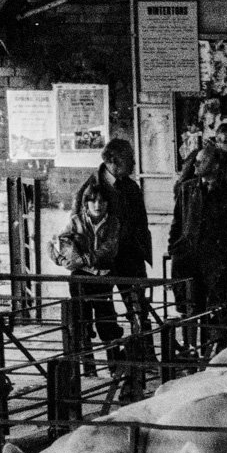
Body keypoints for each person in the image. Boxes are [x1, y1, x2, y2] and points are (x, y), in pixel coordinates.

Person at [168, 147, 227, 356]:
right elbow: (177, 223)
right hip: (188, 258)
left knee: (219, 308)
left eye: (201, 161)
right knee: (189, 307)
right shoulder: (187, 189)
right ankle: (191, 351)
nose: (196, 164)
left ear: (215, 166)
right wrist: (174, 248)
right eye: (196, 160)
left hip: (217, 261)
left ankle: (219, 353)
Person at [78, 139, 154, 364]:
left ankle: (146, 357)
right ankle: (114, 362)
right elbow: (79, 227)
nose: (133, 163)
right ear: (112, 160)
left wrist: (141, 251)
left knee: (139, 308)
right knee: (105, 313)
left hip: (130, 258)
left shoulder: (131, 187)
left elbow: (141, 223)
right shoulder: (89, 189)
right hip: (103, 262)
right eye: (129, 159)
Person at [53, 181, 124, 369]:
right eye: (93, 201)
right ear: (86, 203)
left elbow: (109, 248)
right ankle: (88, 368)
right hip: (80, 278)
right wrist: (64, 259)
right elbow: (57, 241)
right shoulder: (75, 221)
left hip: (103, 276)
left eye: (102, 201)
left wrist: (85, 259)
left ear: (108, 203)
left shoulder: (113, 223)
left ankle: (114, 366)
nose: (97, 205)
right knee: (81, 321)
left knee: (107, 320)